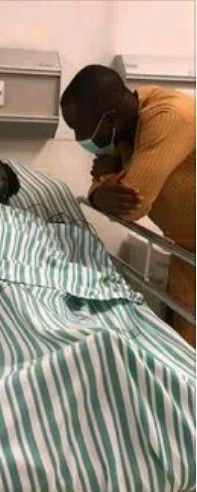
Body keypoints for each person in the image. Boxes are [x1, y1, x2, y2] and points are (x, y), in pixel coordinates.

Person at [60, 65, 195, 346]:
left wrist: (108, 176)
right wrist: (99, 194)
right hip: (187, 251)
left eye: (80, 129)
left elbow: (132, 204)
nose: (78, 139)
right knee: (187, 349)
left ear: (109, 118)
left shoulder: (170, 117)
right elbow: (100, 190)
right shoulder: (126, 124)